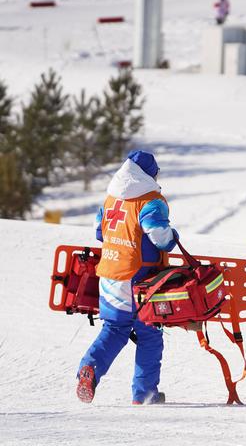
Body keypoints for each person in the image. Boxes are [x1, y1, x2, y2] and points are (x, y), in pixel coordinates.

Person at [76, 150, 178, 405]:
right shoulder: (151, 200)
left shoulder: (111, 198)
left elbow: (99, 232)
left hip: (109, 276)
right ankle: (144, 393)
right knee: (149, 333)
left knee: (114, 329)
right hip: (141, 280)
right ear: (149, 174)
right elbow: (158, 235)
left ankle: (89, 369)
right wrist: (172, 237)